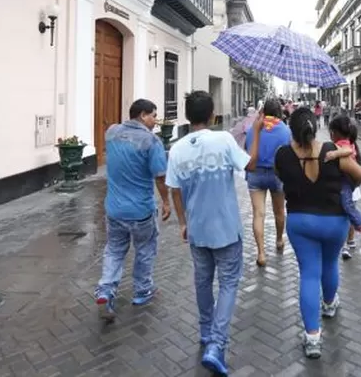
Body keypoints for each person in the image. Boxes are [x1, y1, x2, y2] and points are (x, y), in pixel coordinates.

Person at [166, 91, 262, 375]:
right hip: (227, 229)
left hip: (197, 229)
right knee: (229, 283)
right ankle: (216, 345)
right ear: (212, 116)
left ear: (187, 116)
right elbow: (251, 165)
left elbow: (174, 191)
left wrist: (183, 223)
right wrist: (255, 132)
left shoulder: (177, 148)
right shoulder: (223, 140)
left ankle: (206, 332)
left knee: (202, 282)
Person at [275, 107, 361, 359]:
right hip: (334, 221)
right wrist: (345, 188)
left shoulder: (282, 154)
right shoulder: (332, 151)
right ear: (315, 126)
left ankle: (312, 338)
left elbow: (282, 179)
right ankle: (329, 304)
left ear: (291, 129)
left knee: (309, 274)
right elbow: (359, 175)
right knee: (329, 264)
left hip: (300, 222)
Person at [95, 99, 172, 321]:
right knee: (145, 249)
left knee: (115, 249)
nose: (155, 121)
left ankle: (105, 290)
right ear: (142, 115)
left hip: (114, 209)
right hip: (141, 210)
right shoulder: (151, 141)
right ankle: (142, 290)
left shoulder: (111, 132)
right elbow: (160, 176)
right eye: (153, 116)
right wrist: (166, 202)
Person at [244, 99, 291, 267]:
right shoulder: (286, 130)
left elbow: (246, 149)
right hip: (277, 175)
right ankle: (279, 240)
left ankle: (261, 253)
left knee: (259, 214)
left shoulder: (253, 129)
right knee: (279, 211)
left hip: (255, 174)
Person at [328, 115, 361, 259]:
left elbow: (347, 151)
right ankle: (350, 241)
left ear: (337, 132)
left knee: (347, 206)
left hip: (346, 182)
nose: (331, 135)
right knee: (346, 209)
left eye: (332, 132)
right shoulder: (348, 142)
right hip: (347, 182)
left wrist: (334, 153)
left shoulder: (344, 144)